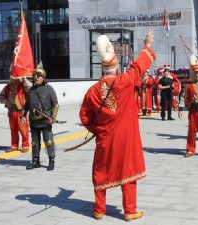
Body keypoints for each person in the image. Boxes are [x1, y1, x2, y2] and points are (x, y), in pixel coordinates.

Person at [79, 31, 155, 221]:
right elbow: (138, 67)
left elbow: (84, 115)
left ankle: (99, 209)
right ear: (116, 68)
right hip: (126, 139)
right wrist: (147, 45)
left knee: (101, 171)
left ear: (102, 70)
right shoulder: (125, 81)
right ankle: (129, 211)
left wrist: (96, 129)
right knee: (128, 170)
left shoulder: (92, 91)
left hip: (105, 138)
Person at [21, 61, 59, 171]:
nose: (36, 78)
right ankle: (35, 160)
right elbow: (27, 104)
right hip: (33, 120)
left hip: (45, 120)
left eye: (38, 76)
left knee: (49, 141)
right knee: (34, 142)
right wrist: (23, 115)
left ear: (43, 77)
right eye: (35, 76)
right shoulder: (31, 90)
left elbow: (55, 104)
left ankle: (51, 160)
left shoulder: (49, 89)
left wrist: (53, 117)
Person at [0, 77, 31, 153]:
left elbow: (30, 88)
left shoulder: (23, 85)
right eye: (12, 77)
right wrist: (6, 102)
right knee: (13, 129)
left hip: (21, 111)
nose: (13, 78)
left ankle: (25, 145)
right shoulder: (7, 87)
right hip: (11, 110)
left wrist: (24, 79)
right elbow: (0, 96)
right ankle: (14, 146)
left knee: (23, 129)